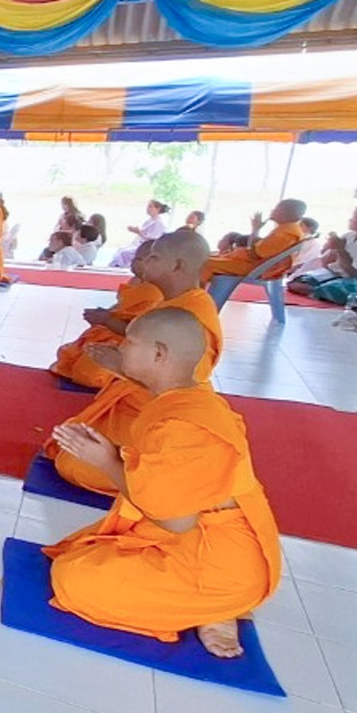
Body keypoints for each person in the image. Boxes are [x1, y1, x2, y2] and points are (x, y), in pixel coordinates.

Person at [47, 308, 283, 658]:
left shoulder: (185, 427)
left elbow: (177, 520)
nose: (121, 346)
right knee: (82, 552)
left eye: (129, 342)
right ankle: (198, 603)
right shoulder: (188, 399)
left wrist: (107, 462)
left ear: (159, 355)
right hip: (193, 541)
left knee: (73, 579)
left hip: (220, 568)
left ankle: (214, 611)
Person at [49, 230, 222, 495]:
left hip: (162, 419)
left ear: (177, 265)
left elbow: (183, 386)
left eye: (153, 257)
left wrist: (119, 366)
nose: (144, 262)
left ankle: (159, 481)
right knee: (69, 441)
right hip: (136, 405)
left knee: (72, 463)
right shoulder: (172, 302)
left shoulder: (193, 317)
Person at [53, 242, 161, 389]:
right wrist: (102, 316)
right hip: (110, 332)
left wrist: (107, 319)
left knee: (89, 374)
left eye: (140, 259)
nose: (133, 261)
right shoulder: (136, 282)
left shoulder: (155, 292)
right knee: (70, 357)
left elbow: (139, 333)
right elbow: (121, 308)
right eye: (135, 257)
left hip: (128, 342)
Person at [289, 203, 357, 306]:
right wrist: (331, 248)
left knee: (333, 288)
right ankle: (320, 292)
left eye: (355, 217)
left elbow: (356, 274)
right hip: (342, 276)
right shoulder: (349, 235)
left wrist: (340, 249)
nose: (350, 219)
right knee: (301, 280)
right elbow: (327, 264)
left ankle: (323, 292)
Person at [202, 198, 309, 294]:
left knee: (202, 263)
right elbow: (257, 250)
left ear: (287, 213)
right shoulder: (287, 229)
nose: (272, 210)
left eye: (277, 208)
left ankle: (195, 298)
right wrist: (256, 229)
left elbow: (256, 254)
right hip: (254, 264)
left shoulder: (287, 232)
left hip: (255, 268)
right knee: (204, 259)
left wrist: (236, 252)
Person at [112, 200, 170, 267]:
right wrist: (135, 230)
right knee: (120, 250)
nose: (148, 209)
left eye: (150, 207)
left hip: (148, 248)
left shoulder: (159, 223)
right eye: (148, 207)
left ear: (158, 209)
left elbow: (153, 239)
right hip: (140, 244)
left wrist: (139, 232)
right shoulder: (149, 221)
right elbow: (144, 233)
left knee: (124, 253)